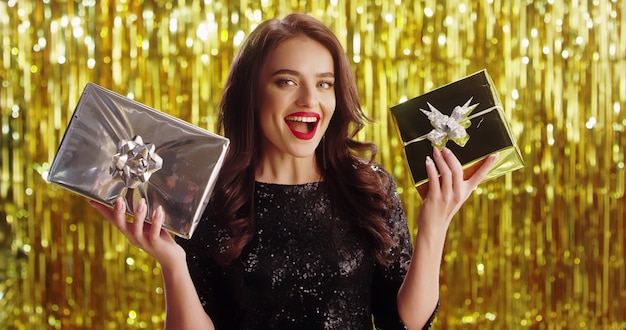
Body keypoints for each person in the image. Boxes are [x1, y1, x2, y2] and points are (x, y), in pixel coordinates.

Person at [90, 13, 497, 329]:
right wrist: (172, 263)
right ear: (252, 93)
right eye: (287, 81)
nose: (309, 100)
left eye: (324, 84)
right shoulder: (208, 196)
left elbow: (404, 322)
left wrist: (436, 224)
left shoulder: (368, 186)